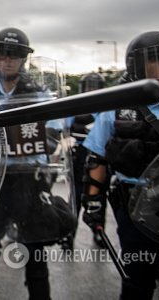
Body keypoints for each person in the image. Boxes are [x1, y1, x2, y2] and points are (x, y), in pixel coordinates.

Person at [82, 31, 159, 300]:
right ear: (138, 65)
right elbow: (98, 160)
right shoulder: (115, 108)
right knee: (137, 282)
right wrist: (93, 205)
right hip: (134, 208)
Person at [0, 28, 74, 300]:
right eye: (2, 53)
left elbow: (53, 133)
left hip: (29, 180)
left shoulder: (38, 93)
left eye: (14, 55)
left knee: (35, 251)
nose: (8, 60)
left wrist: (33, 146)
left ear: (23, 59)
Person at [63, 72, 107, 250]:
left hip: (100, 161)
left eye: (95, 86)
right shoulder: (76, 108)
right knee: (75, 199)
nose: (91, 90)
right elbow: (63, 127)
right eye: (88, 86)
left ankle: (99, 231)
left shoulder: (107, 109)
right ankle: (68, 235)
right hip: (79, 158)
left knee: (99, 197)